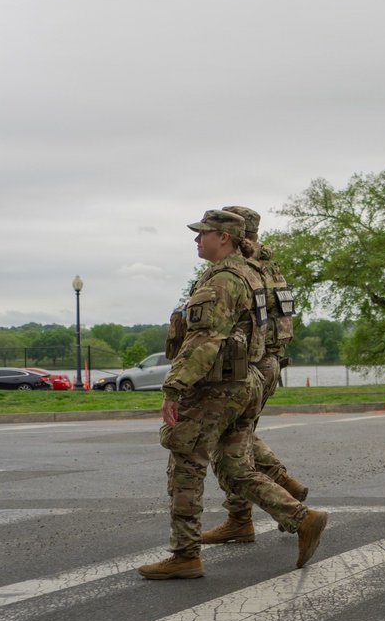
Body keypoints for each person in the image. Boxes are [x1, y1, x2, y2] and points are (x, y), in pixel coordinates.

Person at [138, 209, 327, 580]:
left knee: (186, 462)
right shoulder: (253, 271)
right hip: (247, 381)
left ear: (223, 237)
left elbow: (206, 339)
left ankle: (185, 555)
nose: (197, 240)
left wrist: (173, 389)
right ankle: (301, 517)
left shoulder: (224, 279)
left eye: (203, 233)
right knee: (235, 465)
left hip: (217, 387)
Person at [200, 205, 309, 544]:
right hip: (271, 362)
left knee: (230, 443)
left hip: (249, 365)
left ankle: (259, 502)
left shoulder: (243, 268)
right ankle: (245, 513)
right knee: (238, 437)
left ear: (230, 232)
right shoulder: (270, 266)